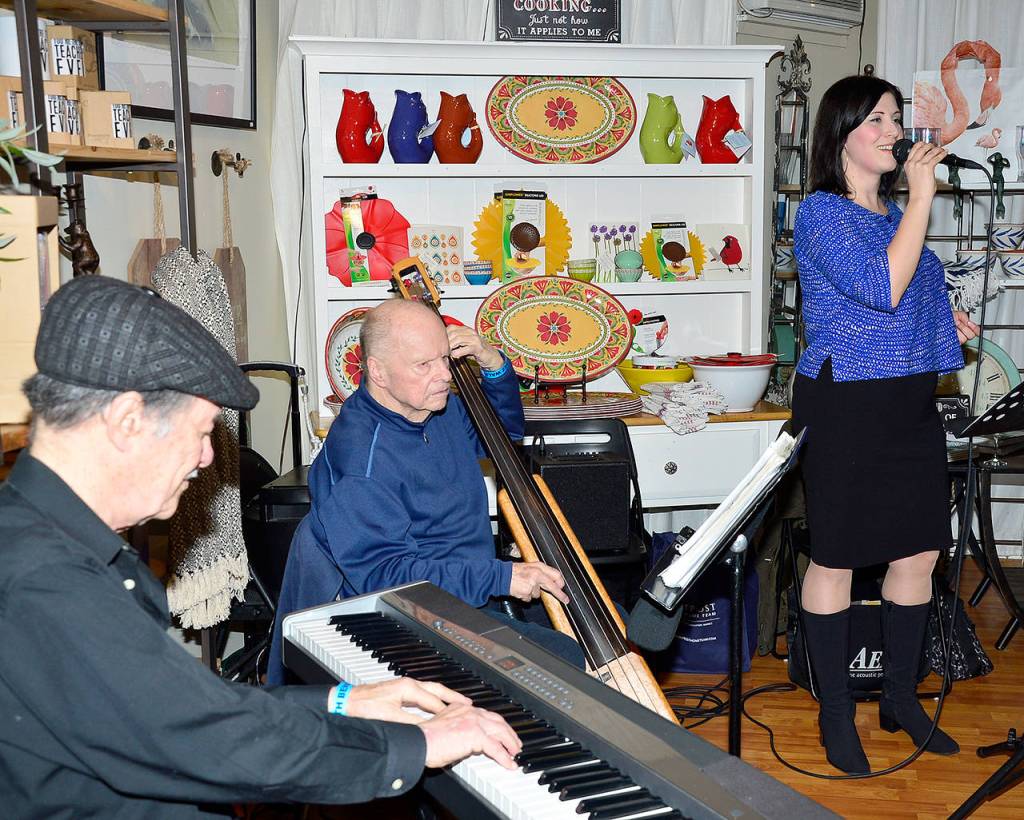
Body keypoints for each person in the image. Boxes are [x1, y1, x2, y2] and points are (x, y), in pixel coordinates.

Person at [0, 276, 520, 817]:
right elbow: (206, 738)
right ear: (128, 421)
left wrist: (341, 699)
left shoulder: (55, 542)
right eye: (200, 432)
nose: (205, 459)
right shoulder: (43, 579)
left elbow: (184, 706)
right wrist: (418, 745)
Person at [792, 75, 980, 775]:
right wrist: (924, 198)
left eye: (897, 118)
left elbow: (909, 295)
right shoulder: (820, 213)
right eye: (878, 118)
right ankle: (835, 715)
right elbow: (879, 286)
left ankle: (900, 700)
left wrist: (947, 322)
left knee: (918, 556)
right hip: (846, 406)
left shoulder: (901, 226)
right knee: (837, 557)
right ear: (841, 131)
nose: (895, 130)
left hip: (907, 407)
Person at [269, 299, 581, 685]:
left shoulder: (434, 407)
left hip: (465, 584)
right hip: (403, 612)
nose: (445, 376)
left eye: (445, 359)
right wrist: (500, 578)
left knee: (596, 616)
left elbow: (503, 436)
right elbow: (388, 578)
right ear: (377, 372)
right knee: (563, 660)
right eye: (424, 365)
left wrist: (492, 362)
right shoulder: (362, 460)